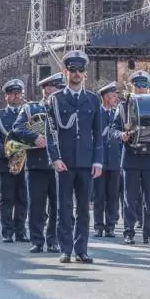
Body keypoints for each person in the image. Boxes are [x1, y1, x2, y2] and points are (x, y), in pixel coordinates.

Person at [45, 51, 103, 263]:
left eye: (80, 70)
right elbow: (50, 132)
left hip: (86, 162)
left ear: (85, 73)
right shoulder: (56, 99)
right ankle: (66, 249)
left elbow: (98, 134)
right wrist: (55, 158)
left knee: (84, 210)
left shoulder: (93, 100)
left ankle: (81, 249)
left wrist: (98, 161)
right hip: (65, 162)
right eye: (73, 70)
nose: (77, 74)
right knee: (64, 208)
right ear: (65, 72)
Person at [11, 73, 61, 254]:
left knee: (57, 205)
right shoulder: (31, 108)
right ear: (45, 89)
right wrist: (34, 137)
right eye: (53, 87)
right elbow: (17, 127)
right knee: (36, 205)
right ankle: (37, 240)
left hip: (60, 164)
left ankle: (53, 240)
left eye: (59, 87)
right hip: (37, 164)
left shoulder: (65, 108)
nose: (57, 91)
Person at [111, 71, 150, 245]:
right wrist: (121, 135)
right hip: (131, 156)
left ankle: (149, 233)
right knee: (129, 198)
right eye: (137, 84)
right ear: (131, 86)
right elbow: (113, 129)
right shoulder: (123, 106)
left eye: (143, 85)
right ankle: (129, 232)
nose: (140, 88)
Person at [0, 79, 29, 243]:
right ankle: (7, 231)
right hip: (7, 163)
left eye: (18, 93)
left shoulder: (27, 113)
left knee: (23, 199)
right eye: (12, 93)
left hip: (26, 162)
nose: (16, 96)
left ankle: (21, 231)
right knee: (7, 199)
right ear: (6, 96)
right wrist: (6, 152)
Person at [94, 82, 122, 239]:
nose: (115, 99)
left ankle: (110, 226)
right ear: (105, 97)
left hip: (114, 161)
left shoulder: (116, 114)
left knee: (113, 195)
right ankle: (98, 226)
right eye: (113, 96)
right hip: (100, 161)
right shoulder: (96, 113)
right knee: (99, 195)